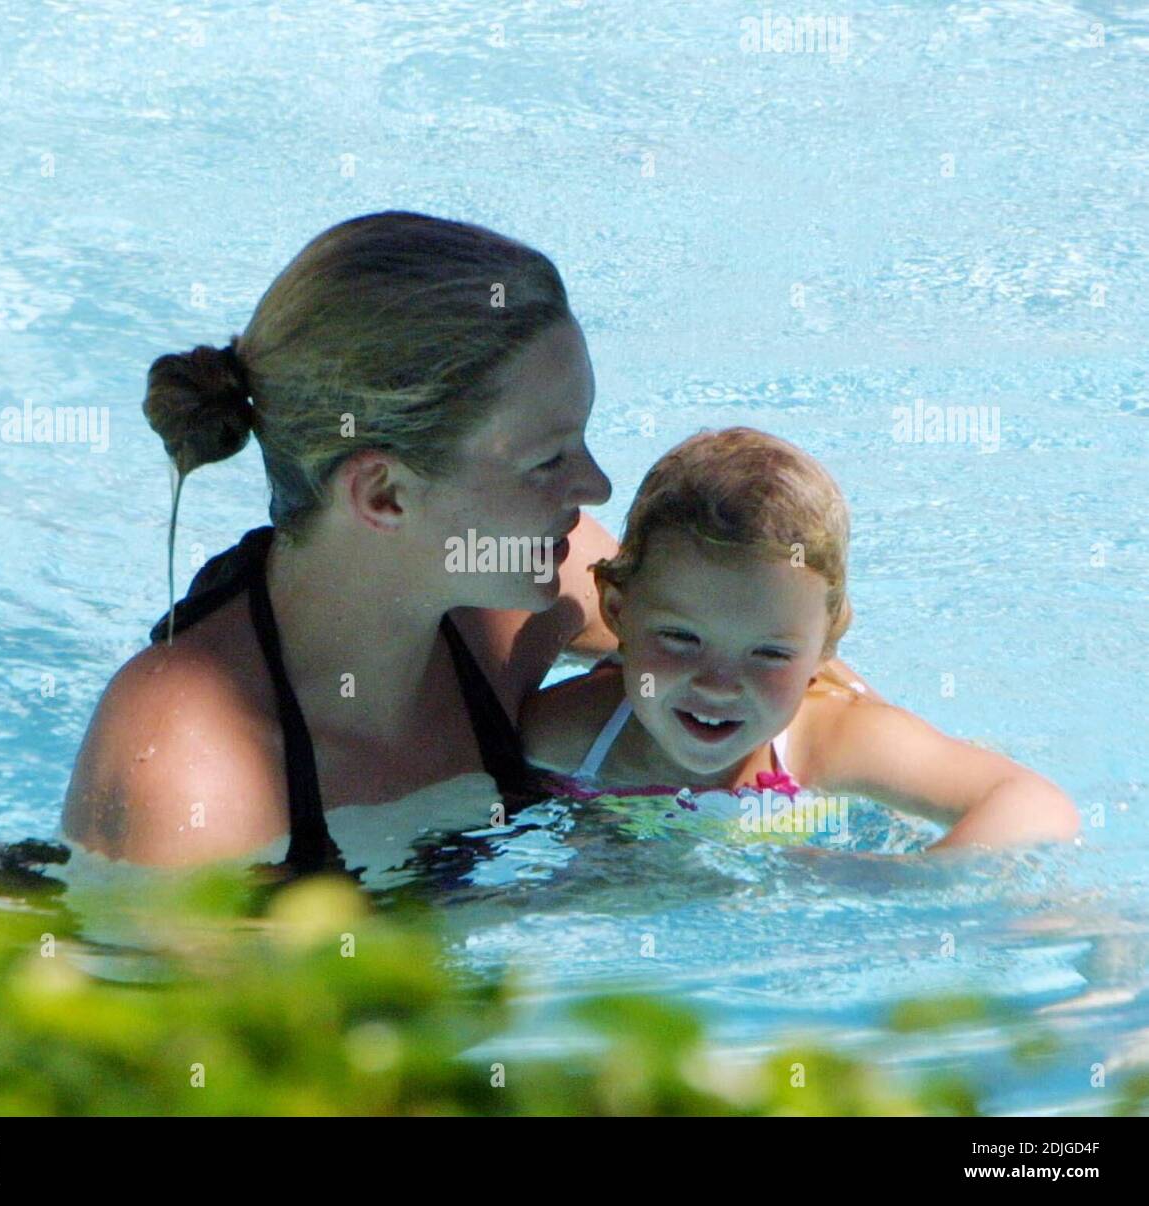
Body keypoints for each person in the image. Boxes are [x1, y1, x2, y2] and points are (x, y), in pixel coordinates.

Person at [61, 213, 879, 878]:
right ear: (385, 494)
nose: (595, 487)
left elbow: (737, 646)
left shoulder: (525, 587)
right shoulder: (189, 776)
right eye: (546, 459)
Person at [520, 428, 1080, 850]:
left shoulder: (835, 743)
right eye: (681, 638)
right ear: (617, 612)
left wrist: (909, 883)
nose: (718, 685)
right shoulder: (567, 735)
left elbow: (1035, 804)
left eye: (769, 653)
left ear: (825, 647)